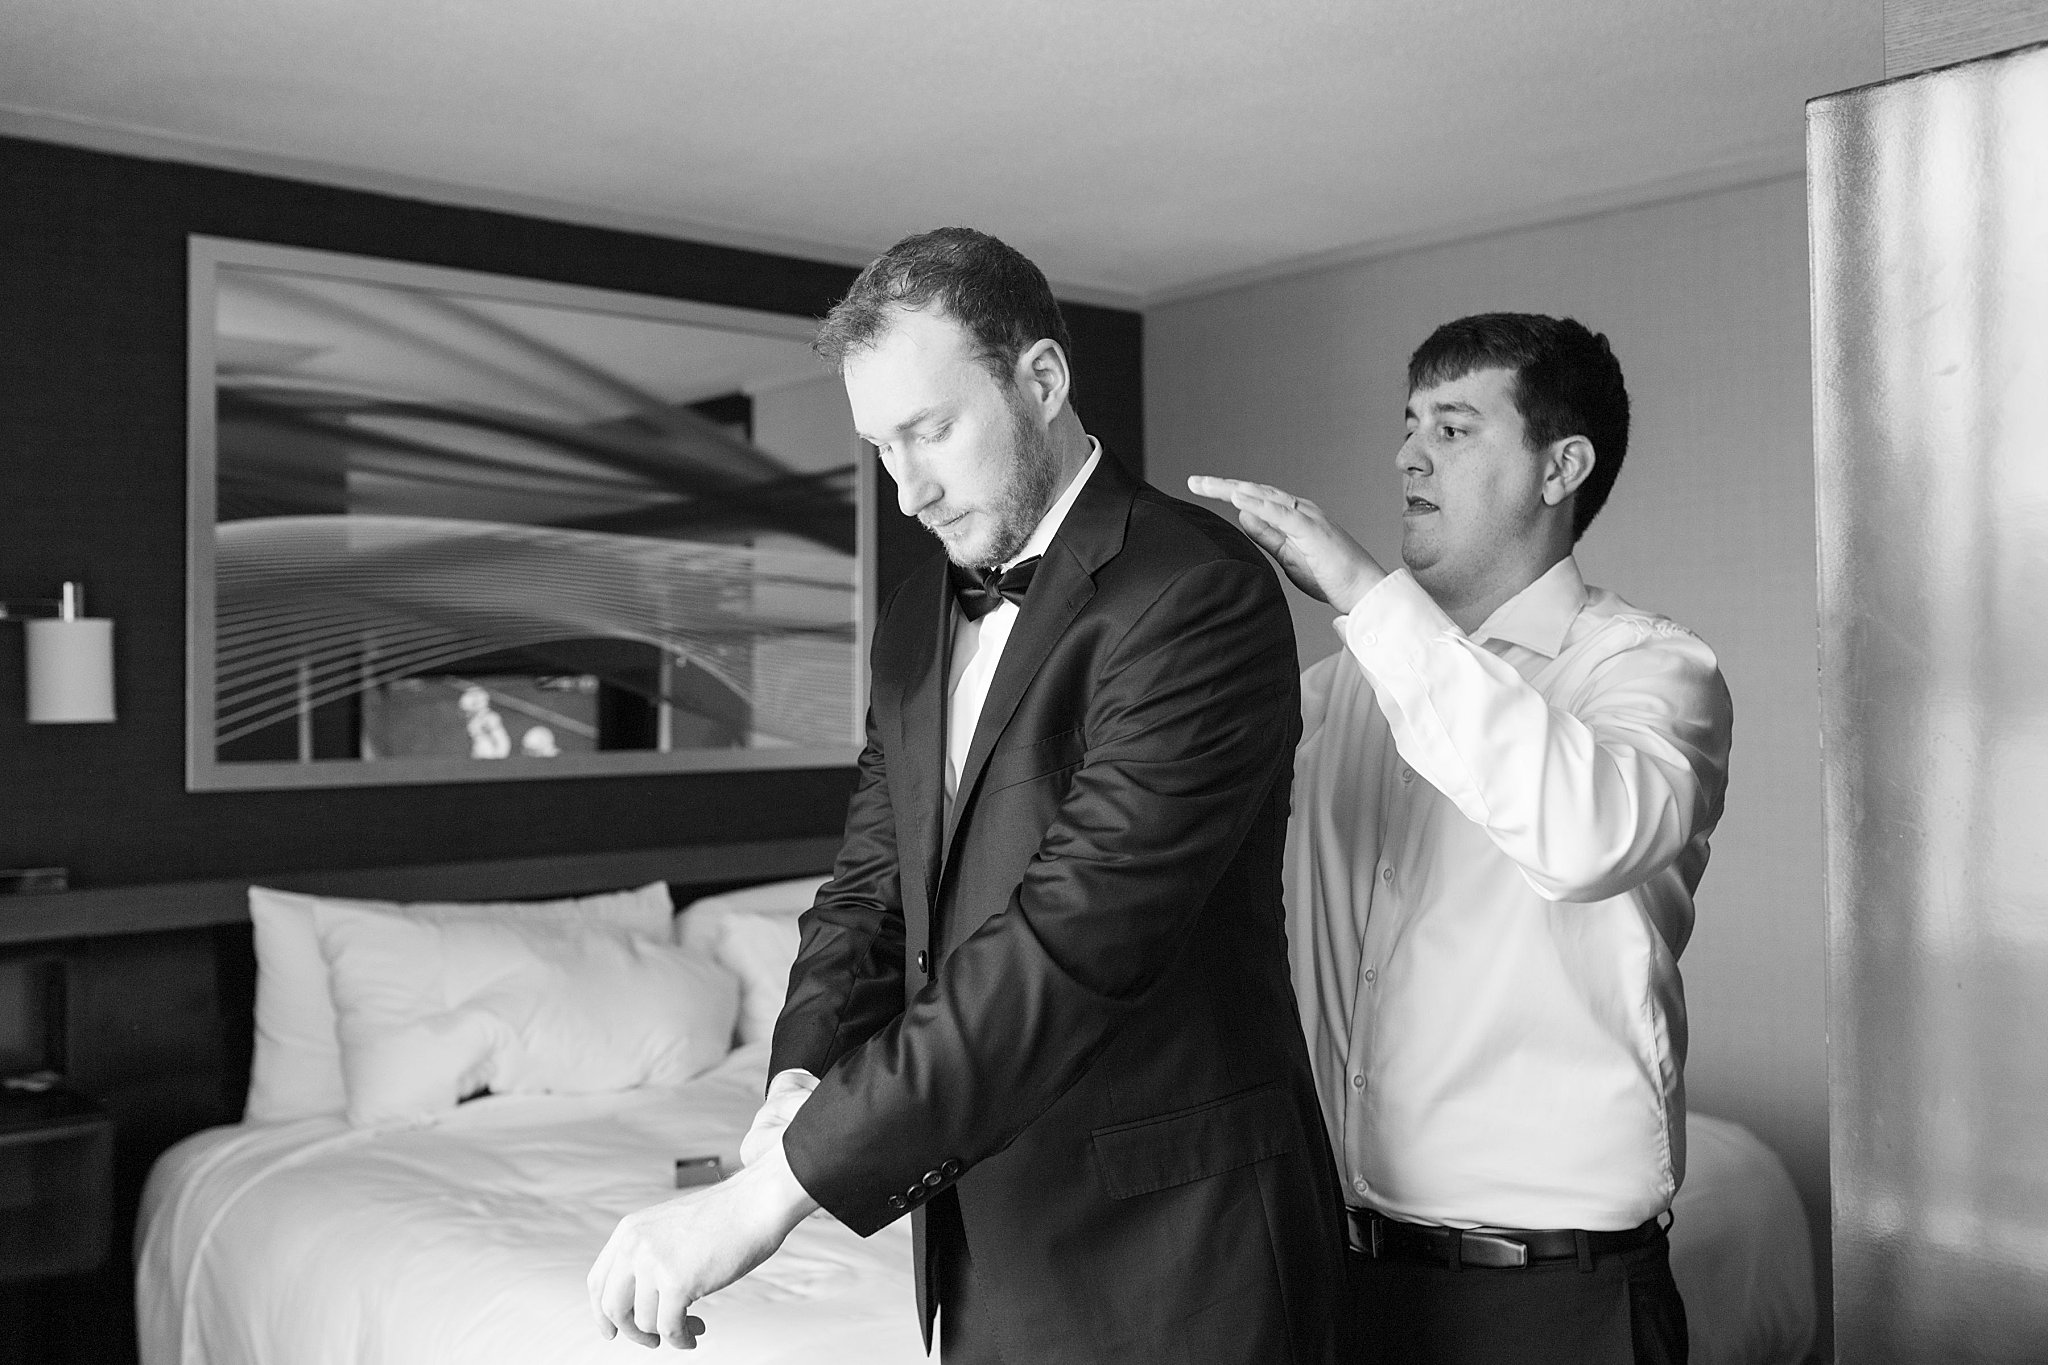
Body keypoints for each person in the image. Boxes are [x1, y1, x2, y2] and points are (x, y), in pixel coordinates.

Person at [587, 227, 1347, 1362]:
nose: (905, 493)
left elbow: (1071, 941)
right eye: (878, 449)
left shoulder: (1194, 594)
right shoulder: (914, 614)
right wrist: (797, 1075)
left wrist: (771, 1196)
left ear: (1040, 381)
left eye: (928, 431)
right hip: (976, 1250)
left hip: (1181, 1256)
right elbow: (868, 886)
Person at [1191, 313, 1732, 1365]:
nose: (1405, 454)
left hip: (1553, 1305)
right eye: (1405, 425)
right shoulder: (1329, 699)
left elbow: (1583, 839)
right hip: (1336, 1279)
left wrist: (1358, 594)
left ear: (1557, 466)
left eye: (1450, 427)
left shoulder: (1650, 674)